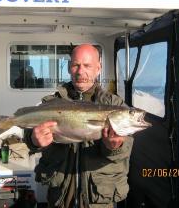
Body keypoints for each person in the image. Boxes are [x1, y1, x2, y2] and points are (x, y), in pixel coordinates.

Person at [24, 44, 133, 208]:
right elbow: (29, 133)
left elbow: (126, 148)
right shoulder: (50, 102)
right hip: (59, 196)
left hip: (99, 199)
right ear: (69, 67)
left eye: (87, 65)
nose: (80, 72)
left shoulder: (115, 105)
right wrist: (33, 139)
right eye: (76, 65)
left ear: (98, 68)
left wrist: (116, 146)